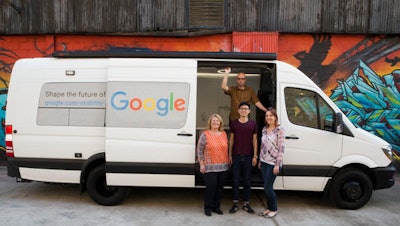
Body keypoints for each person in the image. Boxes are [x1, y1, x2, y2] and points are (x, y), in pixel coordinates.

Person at [197, 114, 230, 217]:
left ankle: (217, 207)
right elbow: (199, 150)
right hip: (209, 166)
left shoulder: (224, 134)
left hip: (223, 166)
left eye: (217, 121)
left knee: (220, 188)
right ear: (210, 123)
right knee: (211, 188)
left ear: (220, 123)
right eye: (213, 121)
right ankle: (208, 208)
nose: (215, 122)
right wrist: (201, 164)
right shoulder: (205, 134)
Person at [228, 102, 258, 214]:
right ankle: (235, 203)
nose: (244, 110)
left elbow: (254, 140)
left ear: (249, 111)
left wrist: (255, 156)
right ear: (238, 110)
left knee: (247, 181)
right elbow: (231, 139)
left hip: (248, 156)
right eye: (242, 108)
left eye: (246, 109)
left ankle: (246, 204)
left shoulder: (253, 124)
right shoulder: (234, 124)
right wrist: (229, 154)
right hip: (236, 156)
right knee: (235, 181)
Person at [258, 108, 285, 218]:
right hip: (264, 161)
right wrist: (260, 160)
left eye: (271, 116)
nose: (268, 117)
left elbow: (281, 148)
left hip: (273, 163)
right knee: (266, 186)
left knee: (268, 187)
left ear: (275, 118)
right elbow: (262, 147)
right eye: (267, 116)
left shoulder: (280, 130)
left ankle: (273, 208)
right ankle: (269, 208)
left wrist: (277, 164)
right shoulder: (264, 129)